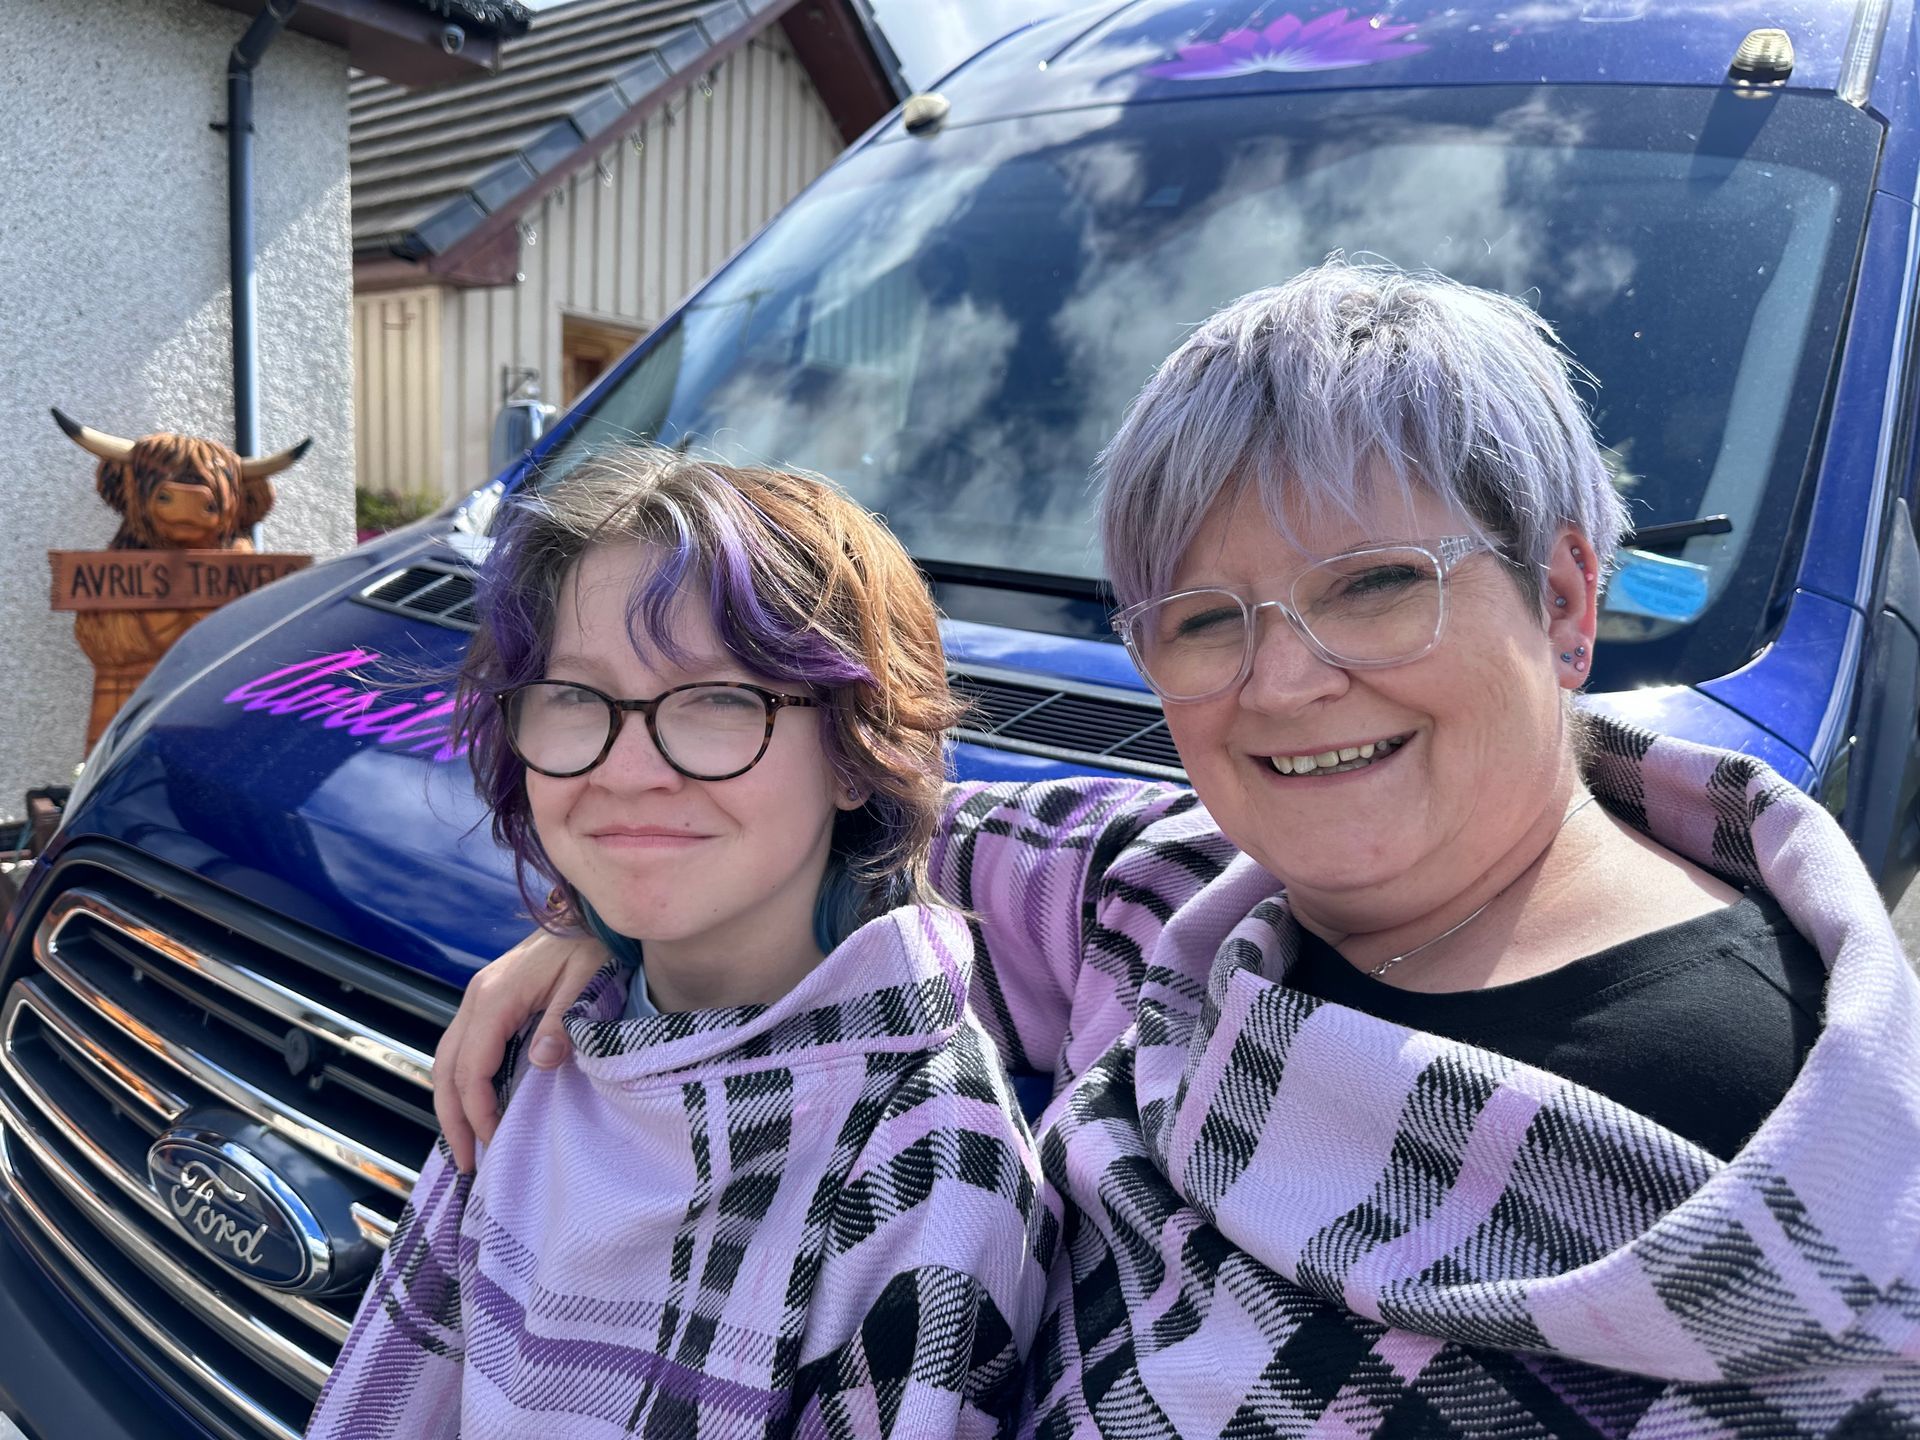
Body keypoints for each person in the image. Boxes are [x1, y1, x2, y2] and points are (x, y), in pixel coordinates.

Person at [429, 265, 1920, 1436]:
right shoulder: (1182, 904)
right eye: (1205, 620)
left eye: (1378, 585)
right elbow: (906, 826)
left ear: (1568, 600)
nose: (1283, 683)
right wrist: (609, 897)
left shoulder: (1772, 1153)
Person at [308, 451, 1051, 1439]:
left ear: (855, 751)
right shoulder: (554, 1041)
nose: (626, 769)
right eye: (573, 697)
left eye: (718, 700)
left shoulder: (925, 1158)